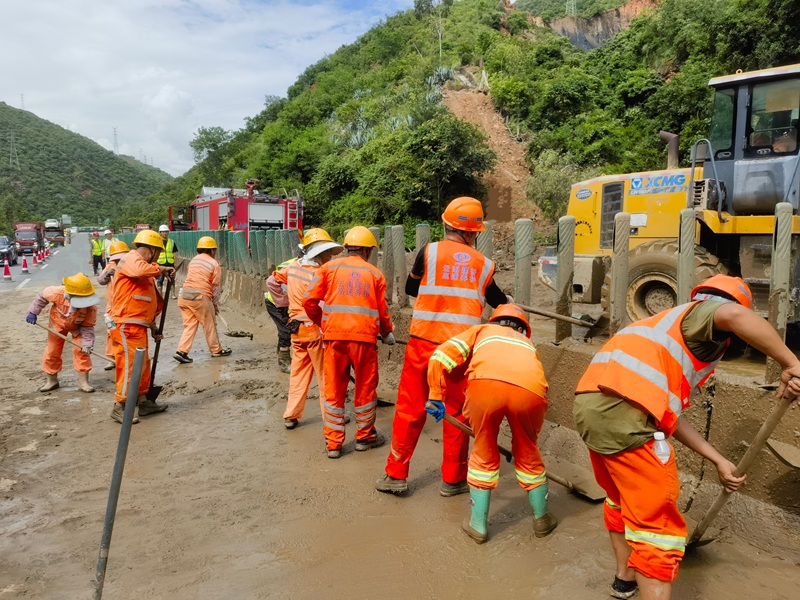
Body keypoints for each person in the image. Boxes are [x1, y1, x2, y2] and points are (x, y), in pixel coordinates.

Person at [573, 274, 800, 600]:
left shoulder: (660, 329)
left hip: (593, 411)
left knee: (621, 500)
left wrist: (719, 460)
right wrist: (791, 362)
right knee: (658, 532)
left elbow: (669, 416)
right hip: (627, 418)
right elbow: (735, 316)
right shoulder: (703, 314)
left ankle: (624, 580)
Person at [376, 197, 511, 495]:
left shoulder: (429, 251)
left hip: (423, 343)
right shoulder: (484, 264)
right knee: (457, 412)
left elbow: (412, 288)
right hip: (461, 350)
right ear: (474, 232)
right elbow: (498, 301)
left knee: (411, 409)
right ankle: (452, 480)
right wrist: (511, 304)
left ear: (447, 224)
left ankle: (396, 475)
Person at [426, 304, 556, 543]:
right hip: (530, 392)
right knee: (528, 450)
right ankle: (542, 520)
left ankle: (478, 526)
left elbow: (440, 356)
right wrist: (521, 442)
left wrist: (435, 395)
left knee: (484, 449)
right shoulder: (528, 344)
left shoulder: (481, 331)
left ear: (494, 320)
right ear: (522, 328)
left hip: (485, 387)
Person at [304, 226, 394, 459]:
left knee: (334, 390)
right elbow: (382, 311)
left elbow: (310, 301)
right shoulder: (375, 274)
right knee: (365, 388)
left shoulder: (328, 269)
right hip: (364, 340)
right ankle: (365, 438)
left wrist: (323, 324)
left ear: (347, 247)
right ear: (366, 250)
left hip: (334, 339)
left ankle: (334, 444)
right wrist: (387, 333)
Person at [270, 229, 343, 429]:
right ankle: (331, 416)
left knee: (298, 374)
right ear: (319, 254)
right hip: (314, 329)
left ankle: (291, 415)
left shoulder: (293, 267)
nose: (330, 257)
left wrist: (284, 304)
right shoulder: (320, 273)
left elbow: (272, 281)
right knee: (325, 375)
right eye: (328, 254)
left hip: (296, 329)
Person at [109, 229, 173, 424]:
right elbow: (139, 270)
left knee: (142, 366)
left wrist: (152, 326)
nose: (159, 258)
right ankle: (120, 406)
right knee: (129, 367)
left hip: (138, 326)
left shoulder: (144, 268)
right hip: (126, 325)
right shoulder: (131, 259)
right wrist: (161, 268)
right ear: (152, 250)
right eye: (159, 254)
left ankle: (143, 401)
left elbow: (145, 301)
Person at [25, 273, 99, 393]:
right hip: (57, 323)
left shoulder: (90, 307)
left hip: (78, 327)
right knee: (53, 350)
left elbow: (88, 327)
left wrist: (87, 344)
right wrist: (33, 312)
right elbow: (41, 298)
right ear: (70, 295)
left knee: (81, 350)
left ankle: (83, 382)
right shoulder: (56, 292)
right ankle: (51, 380)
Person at [173, 236, 231, 363]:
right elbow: (215, 287)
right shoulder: (214, 263)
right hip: (200, 296)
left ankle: (181, 351)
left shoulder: (193, 260)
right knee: (209, 324)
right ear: (211, 250)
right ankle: (216, 350)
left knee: (190, 325)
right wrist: (215, 304)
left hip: (184, 295)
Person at [96, 240, 130, 371]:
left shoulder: (130, 265)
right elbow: (100, 280)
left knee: (126, 330)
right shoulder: (110, 266)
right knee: (111, 331)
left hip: (125, 304)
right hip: (112, 305)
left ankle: (125, 356)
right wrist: (106, 275)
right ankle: (111, 358)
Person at [156, 224, 179, 299]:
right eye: (163, 232)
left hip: (170, 263)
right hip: (160, 263)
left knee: (172, 279)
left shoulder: (171, 242)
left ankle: (173, 294)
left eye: (166, 232)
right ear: (160, 232)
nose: (165, 233)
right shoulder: (157, 242)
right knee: (160, 280)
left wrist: (175, 263)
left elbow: (174, 253)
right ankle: (160, 295)